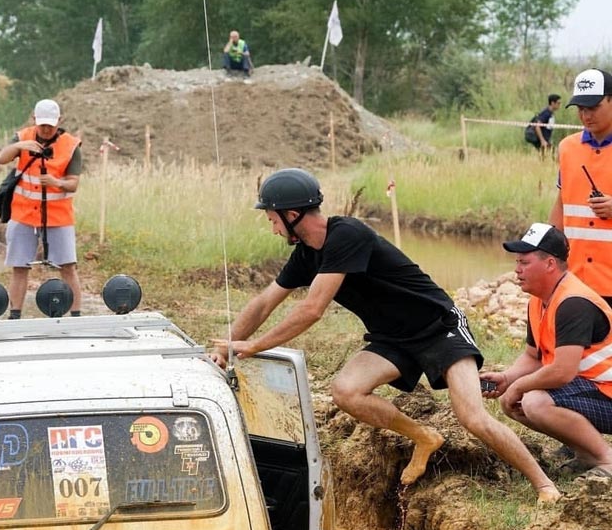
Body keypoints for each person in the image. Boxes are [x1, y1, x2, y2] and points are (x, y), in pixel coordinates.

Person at [211, 168, 561, 503]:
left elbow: (313, 309)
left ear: (291, 215)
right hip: (392, 338)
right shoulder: (305, 256)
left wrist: (255, 346)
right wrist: (228, 346)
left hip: (439, 327)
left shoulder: (347, 235)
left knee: (471, 416)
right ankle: (424, 437)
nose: (272, 229)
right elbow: (263, 302)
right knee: (346, 392)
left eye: (272, 220)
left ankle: (544, 485)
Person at [481, 223, 612, 478]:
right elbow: (534, 357)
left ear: (550, 264)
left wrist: (519, 386)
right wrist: (507, 379)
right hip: (593, 389)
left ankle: (607, 461)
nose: (517, 270)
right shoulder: (539, 300)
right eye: (517, 262)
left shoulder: (573, 303)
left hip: (605, 391)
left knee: (534, 401)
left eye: (524, 263)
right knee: (519, 399)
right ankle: (587, 455)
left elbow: (562, 372)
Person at [0, 99, 83, 319]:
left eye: (50, 125)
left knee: (68, 267)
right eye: (42, 124)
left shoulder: (71, 145)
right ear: (34, 120)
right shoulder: (22, 137)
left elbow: (73, 183)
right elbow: (1, 158)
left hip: (59, 217)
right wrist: (18, 147)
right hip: (23, 215)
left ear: (59, 122)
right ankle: (14, 315)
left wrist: (56, 182)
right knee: (19, 266)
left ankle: (75, 316)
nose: (46, 129)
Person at [548, 68, 612, 305]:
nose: (586, 115)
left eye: (593, 107)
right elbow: (561, 206)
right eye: (581, 108)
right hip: (576, 281)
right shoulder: (567, 148)